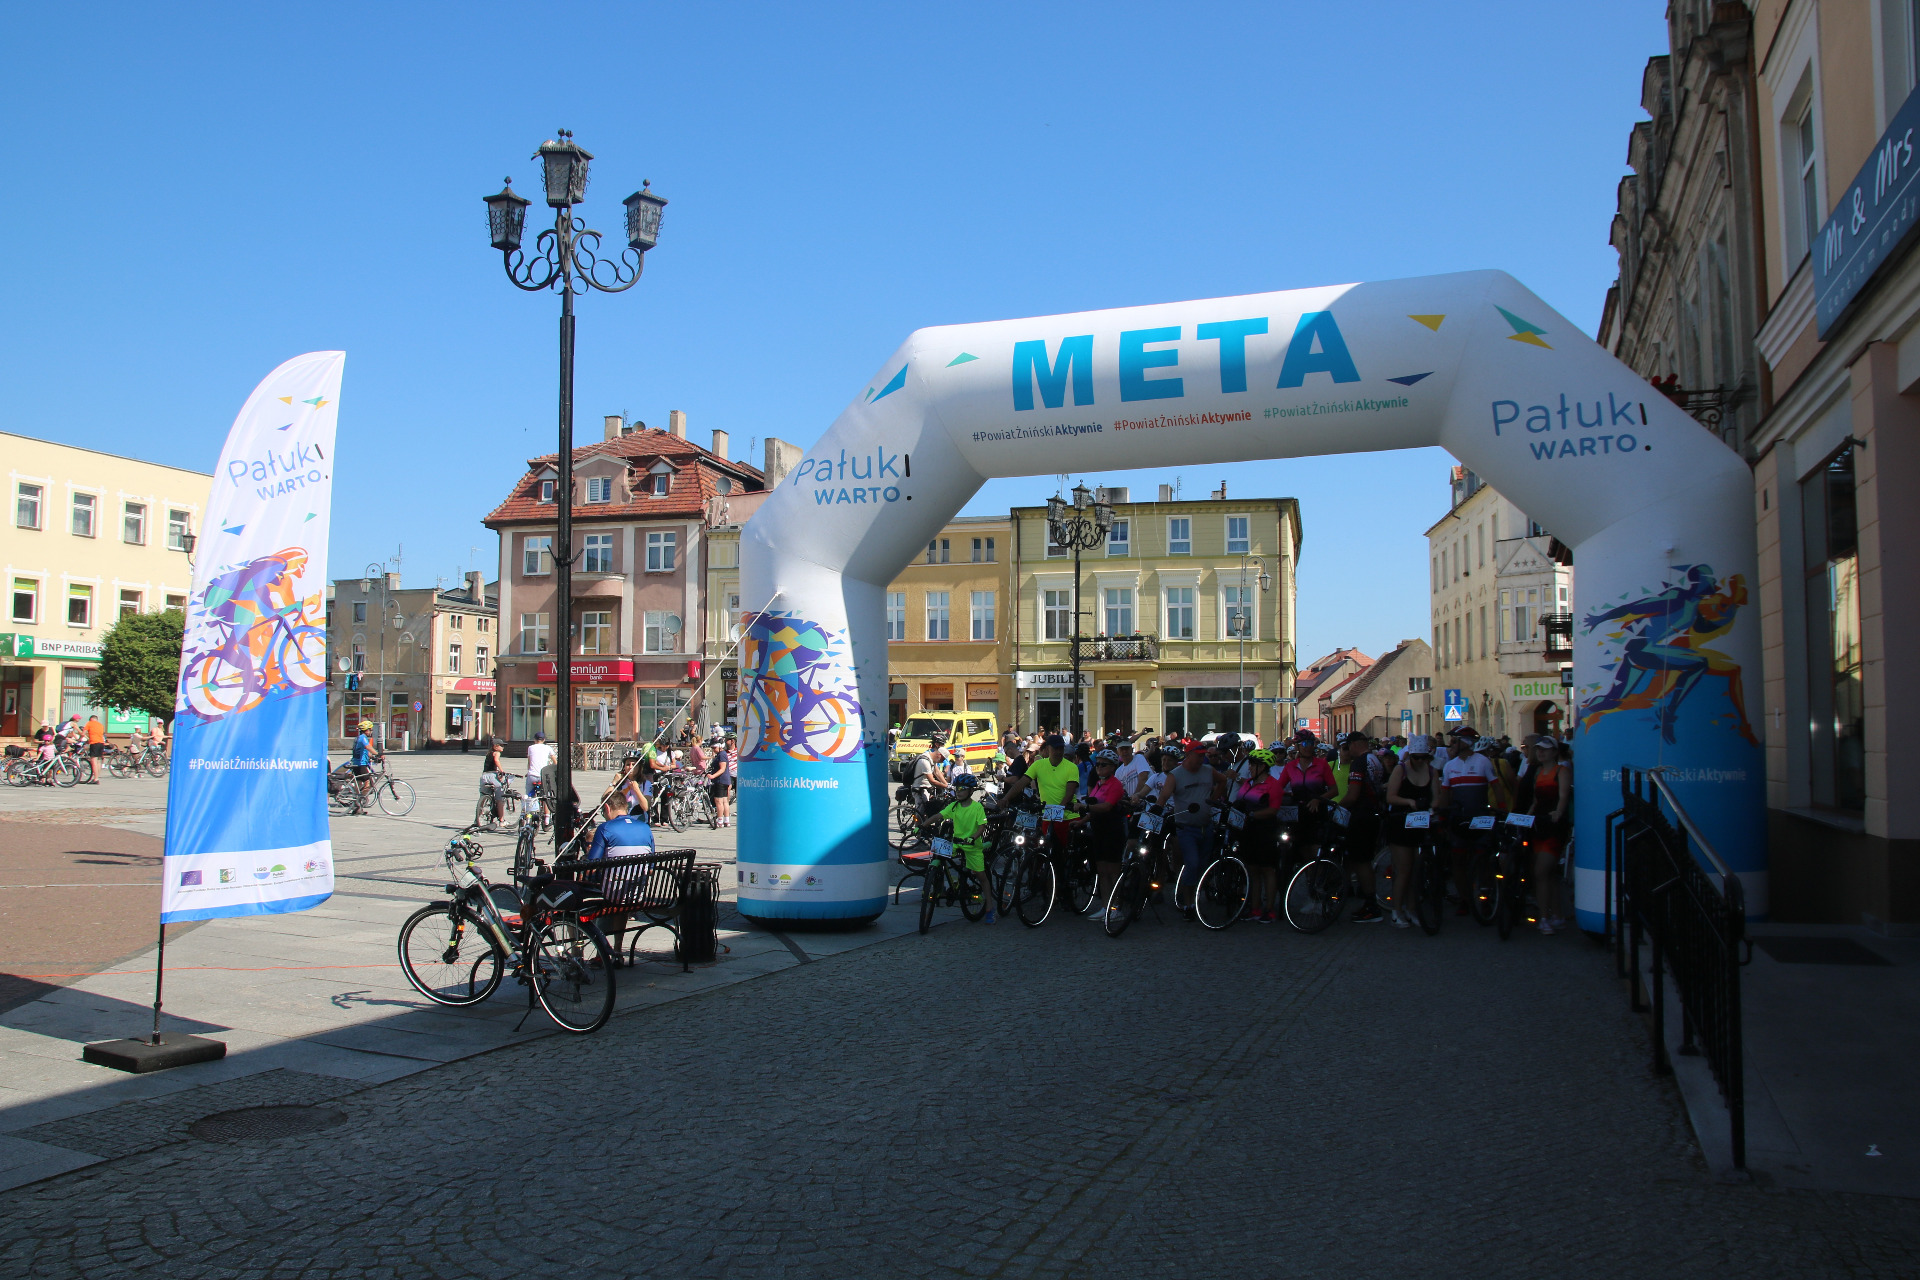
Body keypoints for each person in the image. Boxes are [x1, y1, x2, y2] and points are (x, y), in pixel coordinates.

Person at [1159, 739, 1229, 914]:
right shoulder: (1175, 775)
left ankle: (1195, 897)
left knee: (1202, 866)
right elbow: (1164, 796)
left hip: (1206, 826)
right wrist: (1156, 811)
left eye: (1203, 756)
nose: (1201, 759)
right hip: (1186, 828)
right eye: (1198, 756)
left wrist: (1213, 800)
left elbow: (1223, 781)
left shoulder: (1208, 770)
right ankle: (1189, 903)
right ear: (1188, 755)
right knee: (1192, 863)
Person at [1440, 729, 1502, 917]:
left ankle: (1485, 897)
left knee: (1483, 860)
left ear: (1465, 742)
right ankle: (1464, 899)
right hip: (1459, 819)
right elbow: (1445, 794)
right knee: (1458, 860)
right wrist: (1442, 815)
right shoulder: (1450, 766)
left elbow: (1496, 787)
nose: (1451, 745)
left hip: (1480, 818)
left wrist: (1502, 810)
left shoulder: (1483, 762)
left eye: (1454, 741)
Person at [1383, 734, 1439, 928]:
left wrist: (1432, 807)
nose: (1420, 761)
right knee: (1404, 869)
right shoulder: (1401, 770)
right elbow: (1391, 797)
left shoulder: (1432, 772)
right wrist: (1409, 802)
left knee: (1417, 870)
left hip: (1421, 823)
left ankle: (1412, 908)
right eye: (1416, 757)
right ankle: (1396, 910)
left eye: (1424, 757)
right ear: (1410, 756)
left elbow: (1437, 796)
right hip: (1401, 823)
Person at [1333, 732, 1385, 922]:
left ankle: (1371, 906)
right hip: (1374, 814)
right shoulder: (1375, 759)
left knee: (1361, 861)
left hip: (1361, 816)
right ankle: (1359, 897)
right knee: (1360, 860)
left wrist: (1337, 808)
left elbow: (1353, 795)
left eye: (1348, 747)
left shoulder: (1359, 763)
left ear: (1355, 744)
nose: (1348, 751)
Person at [1524, 736, 1571, 934]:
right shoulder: (1538, 772)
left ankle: (1544, 917)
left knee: (1541, 872)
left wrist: (1558, 812)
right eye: (1538, 749)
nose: (1540, 752)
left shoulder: (1561, 771)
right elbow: (1536, 801)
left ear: (1554, 752)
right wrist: (1525, 817)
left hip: (1554, 826)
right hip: (1539, 825)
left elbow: (1563, 796)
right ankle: (1557, 915)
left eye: (1545, 749)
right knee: (1548, 874)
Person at [1232, 748, 1285, 921]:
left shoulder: (1273, 785)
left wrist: (1253, 815)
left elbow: (1273, 809)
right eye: (1250, 764)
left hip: (1265, 830)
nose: (1250, 767)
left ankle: (1269, 909)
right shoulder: (1248, 783)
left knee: (1267, 870)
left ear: (1263, 767)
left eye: (1253, 764)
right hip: (1248, 830)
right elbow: (1240, 802)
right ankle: (1254, 908)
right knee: (1252, 869)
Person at [936, 773, 996, 924]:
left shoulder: (977, 807)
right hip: (957, 843)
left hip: (972, 846)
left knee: (981, 876)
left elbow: (982, 826)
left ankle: (989, 906)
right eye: (957, 788)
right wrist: (922, 826)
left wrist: (973, 837)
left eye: (962, 789)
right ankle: (942, 886)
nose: (958, 791)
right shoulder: (954, 806)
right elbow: (939, 816)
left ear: (970, 791)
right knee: (938, 855)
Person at [1083, 751, 1131, 922]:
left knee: (1113, 871)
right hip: (1098, 830)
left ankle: (1116, 907)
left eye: (1103, 764)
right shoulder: (1098, 784)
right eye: (1097, 764)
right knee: (1102, 871)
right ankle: (1105, 907)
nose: (1099, 767)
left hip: (1113, 830)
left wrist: (1085, 808)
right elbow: (1093, 807)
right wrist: (1081, 821)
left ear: (1113, 767)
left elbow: (1107, 806)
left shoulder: (1115, 785)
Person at [910, 734, 953, 819]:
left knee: (931, 808)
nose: (942, 762)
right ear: (939, 755)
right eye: (942, 759)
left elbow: (937, 773)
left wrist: (947, 784)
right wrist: (945, 786)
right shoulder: (925, 761)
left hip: (927, 786)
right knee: (922, 813)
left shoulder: (933, 759)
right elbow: (932, 780)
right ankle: (918, 826)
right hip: (919, 788)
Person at [349, 719, 383, 807]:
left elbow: (365, 752)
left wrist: (372, 757)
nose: (371, 731)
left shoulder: (359, 738)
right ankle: (360, 800)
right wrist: (379, 754)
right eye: (370, 729)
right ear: (366, 730)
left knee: (360, 783)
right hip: (361, 764)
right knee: (368, 783)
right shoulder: (363, 738)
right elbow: (368, 747)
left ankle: (356, 801)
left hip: (357, 763)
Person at [706, 739, 736, 827]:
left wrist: (713, 776)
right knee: (725, 801)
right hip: (725, 780)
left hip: (720, 780)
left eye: (714, 748)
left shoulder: (721, 755)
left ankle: (720, 821)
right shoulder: (722, 754)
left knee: (719, 801)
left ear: (720, 746)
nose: (713, 750)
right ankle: (726, 820)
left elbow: (722, 768)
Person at [525, 731, 554, 814]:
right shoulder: (548, 748)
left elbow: (529, 762)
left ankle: (530, 815)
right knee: (546, 796)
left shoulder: (530, 748)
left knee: (529, 796)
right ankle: (547, 818)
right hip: (543, 776)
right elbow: (555, 761)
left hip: (532, 775)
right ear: (544, 740)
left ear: (534, 739)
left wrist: (528, 771)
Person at [481, 735, 507, 822]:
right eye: (501, 745)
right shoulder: (497, 753)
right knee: (500, 798)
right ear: (496, 746)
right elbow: (496, 760)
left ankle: (478, 818)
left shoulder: (488, 753)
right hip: (492, 776)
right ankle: (502, 820)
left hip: (484, 776)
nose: (503, 747)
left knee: (483, 796)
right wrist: (502, 770)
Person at [82, 714, 106, 783]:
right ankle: (97, 777)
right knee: (99, 761)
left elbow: (83, 734)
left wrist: (87, 739)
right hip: (101, 743)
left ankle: (95, 779)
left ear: (90, 719)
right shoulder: (101, 725)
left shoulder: (89, 723)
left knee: (93, 760)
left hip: (94, 743)